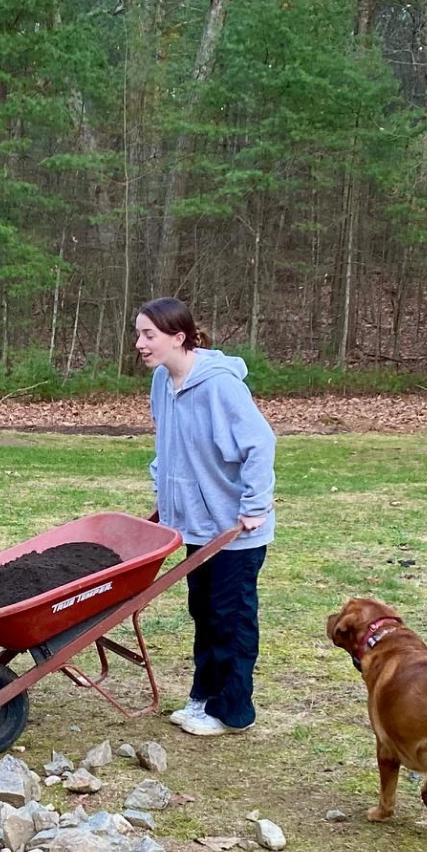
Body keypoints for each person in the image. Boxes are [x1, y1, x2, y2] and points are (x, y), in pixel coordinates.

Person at [136, 297, 276, 737]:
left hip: (235, 528)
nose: (139, 343)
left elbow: (260, 443)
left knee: (230, 618)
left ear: (178, 338)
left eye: (148, 335)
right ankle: (204, 696)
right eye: (138, 334)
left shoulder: (220, 385)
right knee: (204, 611)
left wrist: (255, 506)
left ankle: (233, 712)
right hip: (196, 522)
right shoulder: (162, 380)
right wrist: (165, 490)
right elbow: (170, 443)